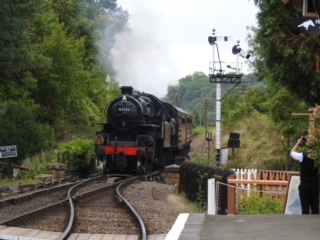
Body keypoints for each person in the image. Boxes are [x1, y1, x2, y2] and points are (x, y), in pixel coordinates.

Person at [290, 134, 319, 214]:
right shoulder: (318, 157)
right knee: (315, 207)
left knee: (305, 208)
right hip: (316, 183)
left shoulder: (303, 156)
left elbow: (292, 153)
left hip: (305, 183)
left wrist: (298, 143)